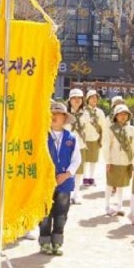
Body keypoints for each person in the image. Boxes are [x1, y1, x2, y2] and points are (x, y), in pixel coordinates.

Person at [39, 102, 82, 256]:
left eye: (58, 114)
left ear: (64, 118)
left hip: (64, 182)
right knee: (44, 213)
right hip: (45, 182)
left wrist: (67, 174)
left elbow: (76, 159)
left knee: (61, 214)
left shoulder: (72, 138)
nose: (54, 117)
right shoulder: (42, 136)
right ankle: (44, 242)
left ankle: (57, 241)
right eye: (52, 114)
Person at [103, 104, 134, 216]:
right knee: (110, 184)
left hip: (126, 161)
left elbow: (133, 146)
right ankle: (107, 206)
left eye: (125, 114)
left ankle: (119, 206)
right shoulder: (111, 129)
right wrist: (108, 161)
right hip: (114, 161)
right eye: (120, 114)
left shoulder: (131, 129)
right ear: (116, 116)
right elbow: (106, 145)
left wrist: (133, 162)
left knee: (121, 185)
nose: (123, 116)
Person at [66, 88, 87, 205]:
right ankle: (67, 194)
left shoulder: (86, 114)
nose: (77, 100)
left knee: (79, 172)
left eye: (79, 98)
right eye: (74, 98)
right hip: (67, 146)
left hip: (81, 146)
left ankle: (76, 195)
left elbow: (87, 130)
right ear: (70, 100)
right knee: (68, 170)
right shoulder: (65, 113)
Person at [81, 89, 106, 187]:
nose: (94, 99)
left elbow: (103, 126)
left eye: (95, 98)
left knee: (93, 160)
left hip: (96, 139)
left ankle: (91, 178)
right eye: (92, 97)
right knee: (84, 161)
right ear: (88, 99)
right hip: (85, 139)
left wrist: (102, 139)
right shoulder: (83, 111)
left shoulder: (100, 112)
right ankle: (84, 178)